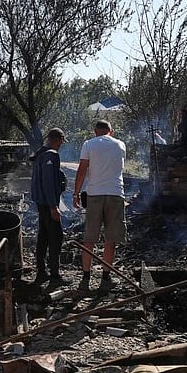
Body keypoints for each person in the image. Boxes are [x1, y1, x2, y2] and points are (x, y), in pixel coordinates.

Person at [72, 120, 126, 291]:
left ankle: (86, 277)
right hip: (116, 194)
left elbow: (82, 169)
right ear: (111, 131)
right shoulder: (120, 145)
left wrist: (76, 193)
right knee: (111, 239)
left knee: (90, 237)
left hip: (94, 194)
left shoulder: (88, 144)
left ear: (95, 131)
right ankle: (105, 277)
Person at [30, 127, 68, 284]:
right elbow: (48, 182)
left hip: (40, 202)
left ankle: (41, 271)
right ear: (57, 140)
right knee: (56, 237)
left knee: (43, 235)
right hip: (47, 203)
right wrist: (54, 206)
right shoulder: (51, 155)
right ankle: (54, 274)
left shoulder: (40, 154)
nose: (61, 145)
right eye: (60, 142)